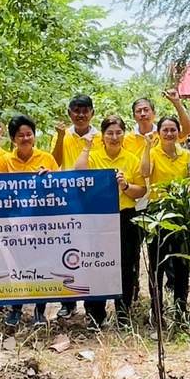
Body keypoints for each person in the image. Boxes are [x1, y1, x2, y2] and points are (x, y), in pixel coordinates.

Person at [0, 115, 60, 328]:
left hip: (41, 224)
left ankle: (39, 311)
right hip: (12, 223)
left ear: (34, 136)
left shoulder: (46, 158)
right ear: (13, 139)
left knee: (41, 265)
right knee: (15, 265)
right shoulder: (5, 160)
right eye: (20, 135)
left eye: (29, 134)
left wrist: (50, 177)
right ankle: (15, 309)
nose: (25, 138)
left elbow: (61, 187)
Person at [73, 114, 146, 325]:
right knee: (95, 264)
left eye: (118, 133)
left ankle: (123, 313)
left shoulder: (132, 159)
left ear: (124, 134)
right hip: (98, 218)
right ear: (102, 136)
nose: (114, 137)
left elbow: (141, 191)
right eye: (109, 133)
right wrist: (86, 147)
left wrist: (125, 186)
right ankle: (95, 314)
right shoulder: (94, 156)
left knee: (126, 265)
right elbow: (79, 173)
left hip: (125, 217)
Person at [139, 117, 190, 317]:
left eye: (173, 130)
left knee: (181, 266)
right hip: (157, 215)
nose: (169, 134)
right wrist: (146, 147)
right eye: (165, 130)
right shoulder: (152, 153)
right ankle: (157, 311)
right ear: (159, 133)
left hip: (179, 213)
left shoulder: (186, 155)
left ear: (178, 133)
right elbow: (144, 172)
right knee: (157, 266)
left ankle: (181, 311)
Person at [51, 94, 98, 317]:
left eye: (85, 111)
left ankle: (91, 305)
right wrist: (60, 137)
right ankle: (67, 303)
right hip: (65, 202)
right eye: (76, 111)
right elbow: (55, 162)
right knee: (64, 250)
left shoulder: (100, 136)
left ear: (92, 113)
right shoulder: (62, 134)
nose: (80, 115)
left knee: (89, 252)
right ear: (69, 113)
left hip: (91, 201)